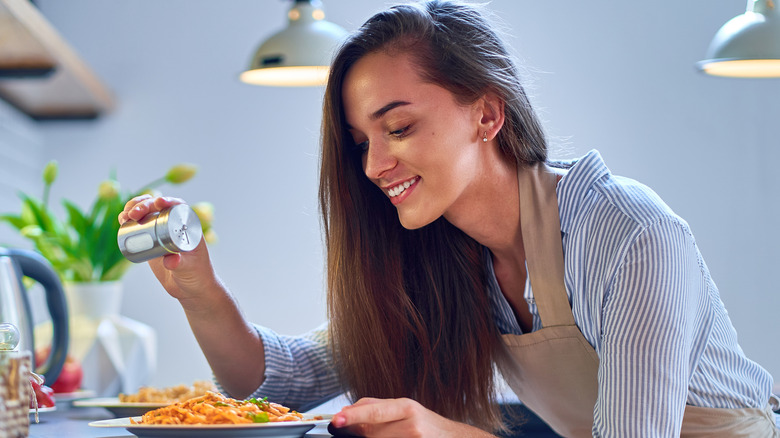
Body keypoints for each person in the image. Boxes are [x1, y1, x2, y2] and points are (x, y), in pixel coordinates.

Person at [119, 1, 779, 436]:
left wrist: (446, 433)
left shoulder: (627, 234)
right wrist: (200, 292)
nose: (375, 165)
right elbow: (277, 383)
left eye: (399, 127)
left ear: (487, 116)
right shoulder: (444, 257)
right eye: (359, 143)